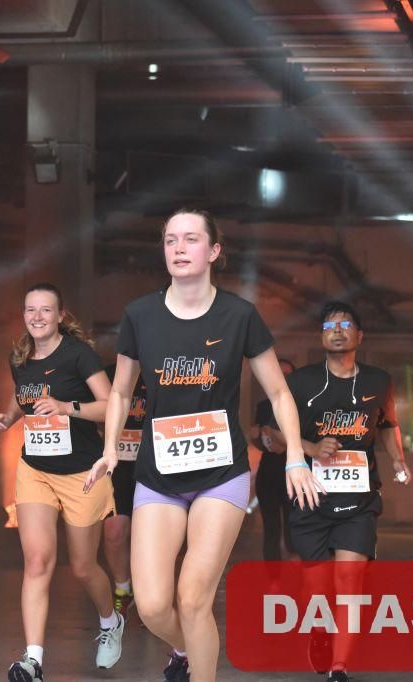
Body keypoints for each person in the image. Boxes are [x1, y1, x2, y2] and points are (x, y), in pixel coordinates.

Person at [85, 208, 325, 682]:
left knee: (193, 598)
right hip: (159, 477)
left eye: (191, 239)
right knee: (153, 606)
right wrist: (110, 449)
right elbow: (121, 391)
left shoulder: (240, 315)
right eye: (170, 240)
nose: (178, 248)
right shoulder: (140, 314)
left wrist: (296, 456)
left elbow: (280, 393)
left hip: (221, 475)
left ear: (214, 251)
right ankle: (186, 649)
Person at [0, 283, 123, 682]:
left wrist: (67, 407)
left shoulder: (79, 355)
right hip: (35, 470)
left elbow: (110, 406)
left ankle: (110, 621)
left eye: (45, 310)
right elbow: (22, 399)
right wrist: (7, 418)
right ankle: (32, 660)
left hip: (83, 472)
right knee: (37, 561)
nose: (37, 317)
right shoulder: (20, 358)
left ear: (60, 315)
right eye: (30, 310)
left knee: (83, 566)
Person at [272, 301, 410, 682]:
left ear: (359, 336)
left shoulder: (379, 381)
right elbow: (275, 433)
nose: (337, 330)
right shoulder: (300, 383)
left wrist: (398, 460)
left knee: (349, 580)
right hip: (311, 497)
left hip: (359, 499)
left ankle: (339, 668)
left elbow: (387, 425)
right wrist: (311, 448)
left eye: (345, 324)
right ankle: (320, 629)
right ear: (321, 336)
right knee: (316, 586)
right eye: (329, 326)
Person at [101, 363, 147, 622]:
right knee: (114, 531)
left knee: (149, 534)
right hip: (117, 465)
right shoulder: (107, 373)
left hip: (154, 463)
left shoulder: (163, 364)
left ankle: (149, 596)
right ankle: (123, 589)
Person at [249, 358, 297, 561]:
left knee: (293, 527)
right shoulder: (263, 406)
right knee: (271, 528)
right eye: (280, 373)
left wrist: (282, 442)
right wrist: (255, 437)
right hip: (268, 473)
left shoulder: (303, 404)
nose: (283, 378)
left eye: (288, 374)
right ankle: (273, 575)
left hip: (294, 474)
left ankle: (298, 571)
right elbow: (262, 443)